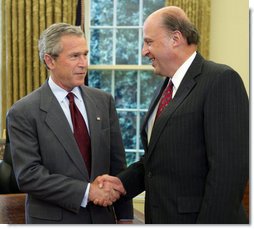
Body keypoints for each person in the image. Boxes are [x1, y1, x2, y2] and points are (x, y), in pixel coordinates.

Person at [98, 6, 249, 224]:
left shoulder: (220, 80)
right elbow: (159, 161)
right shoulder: (166, 87)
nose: (143, 51)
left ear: (175, 38)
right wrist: (122, 184)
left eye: (149, 42)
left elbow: (228, 172)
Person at [7, 23, 133, 224]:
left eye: (85, 54)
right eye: (75, 56)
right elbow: (29, 175)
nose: (84, 63)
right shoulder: (23, 112)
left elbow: (117, 164)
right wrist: (86, 191)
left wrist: (125, 217)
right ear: (50, 61)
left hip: (102, 219)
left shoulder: (103, 101)